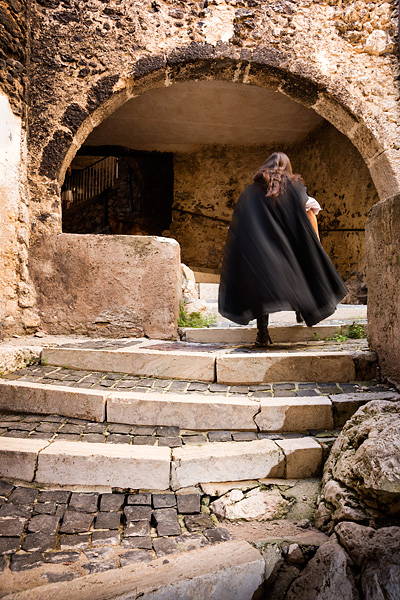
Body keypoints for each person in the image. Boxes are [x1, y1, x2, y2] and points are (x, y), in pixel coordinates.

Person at [218, 152, 348, 347]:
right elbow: (310, 209)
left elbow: (240, 220)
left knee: (262, 287)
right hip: (288, 245)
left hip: (260, 249)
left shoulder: (251, 191)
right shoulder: (295, 187)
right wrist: (314, 241)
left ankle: (262, 335)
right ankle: (303, 312)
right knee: (298, 274)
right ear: (287, 167)